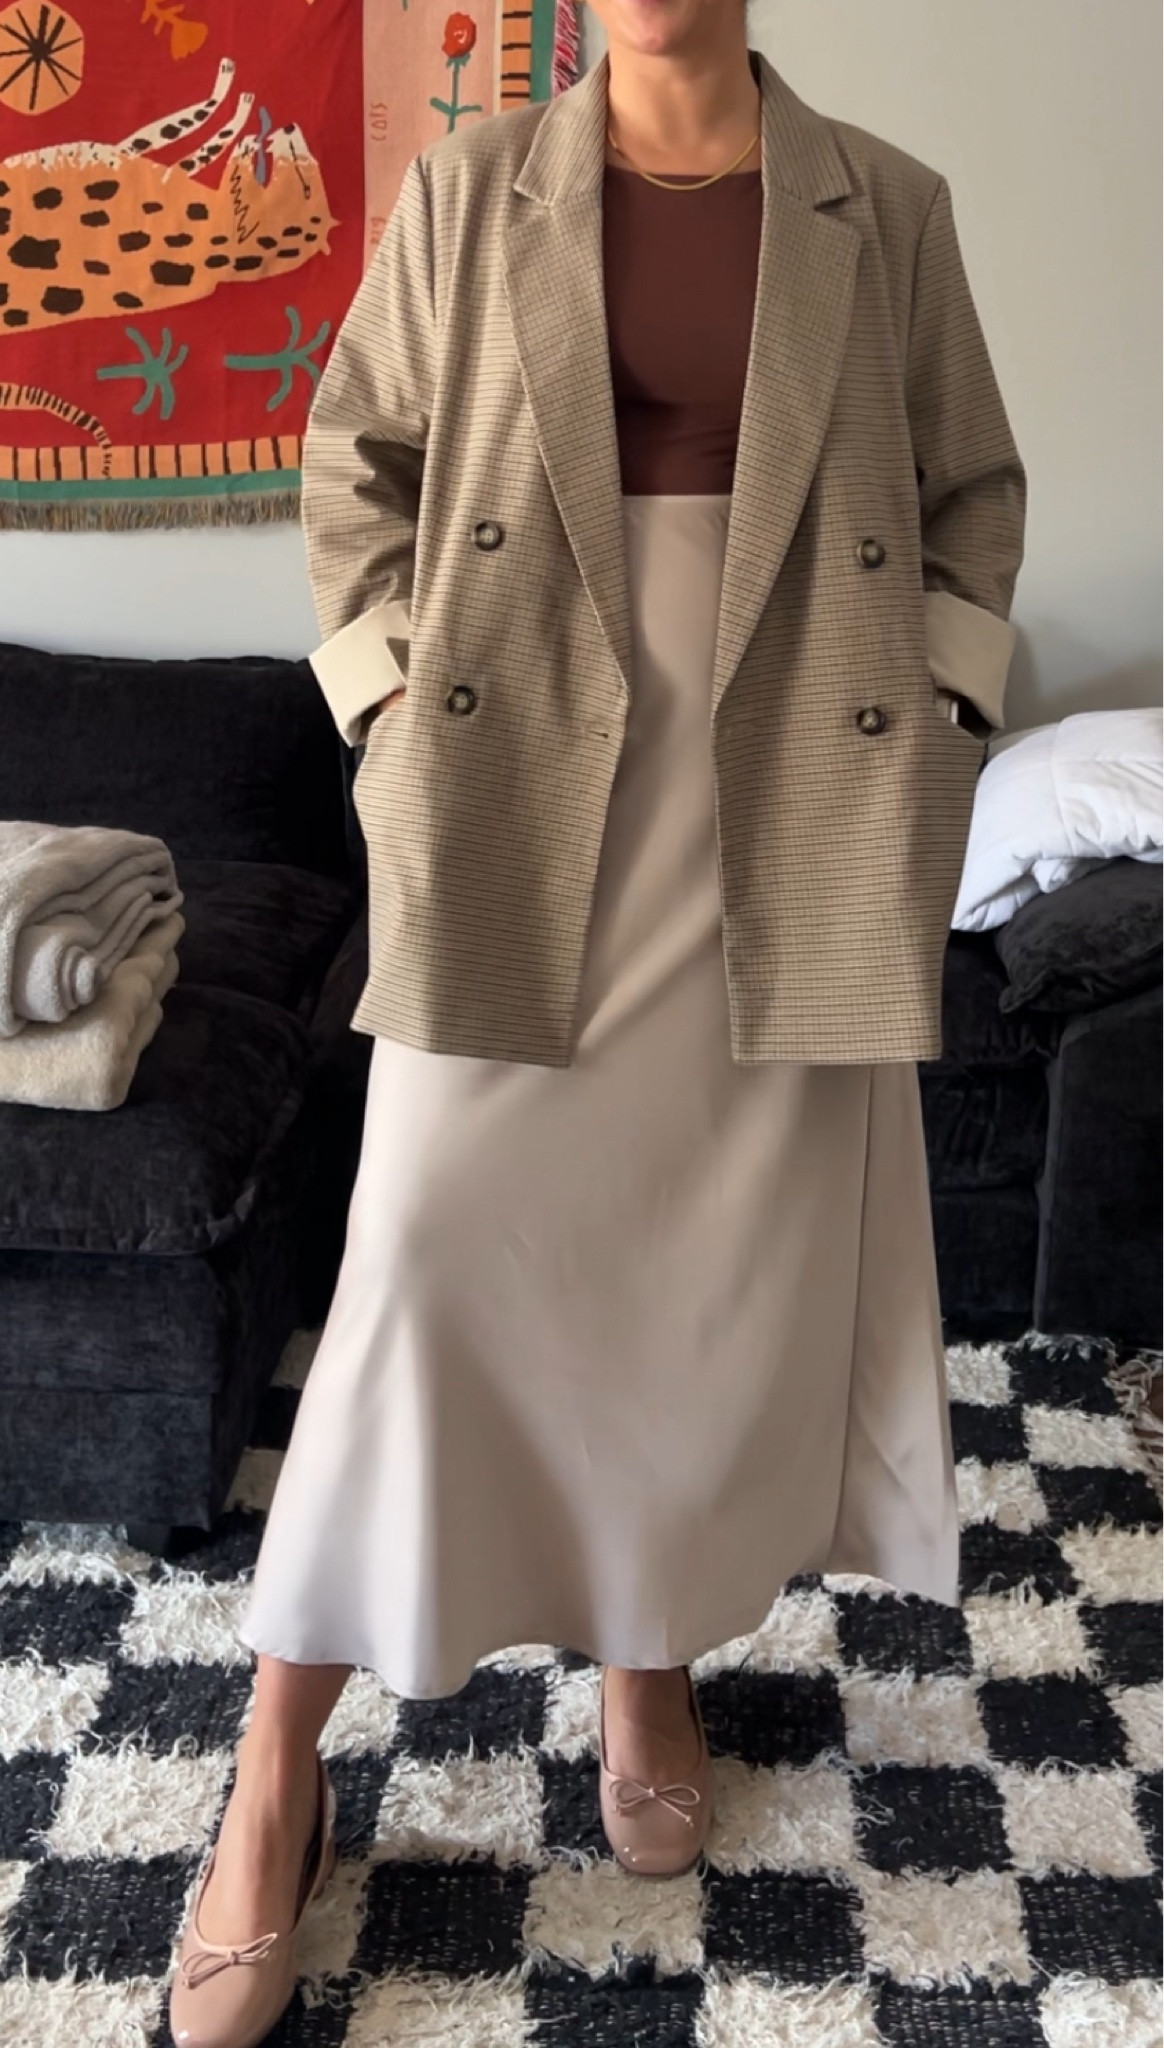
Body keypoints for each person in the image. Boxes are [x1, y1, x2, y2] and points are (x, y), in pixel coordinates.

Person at [168, 0, 1025, 2039]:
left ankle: (650, 1656)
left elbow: (973, 490)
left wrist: (938, 722)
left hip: (791, 795)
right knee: (419, 1266)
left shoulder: (885, 207)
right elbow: (355, 461)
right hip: (518, 781)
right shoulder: (473, 191)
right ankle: (277, 1763)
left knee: (694, 1278)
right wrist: (390, 702)